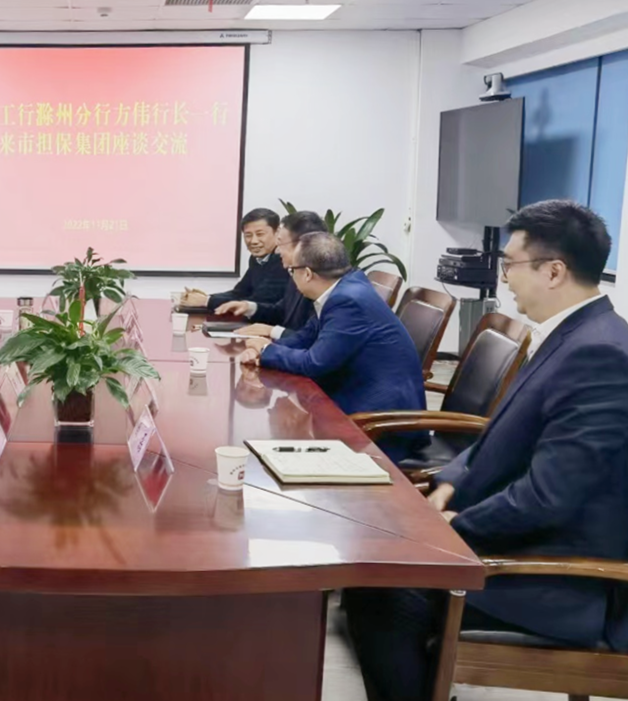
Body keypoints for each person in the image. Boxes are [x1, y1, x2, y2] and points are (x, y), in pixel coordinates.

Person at [343, 200, 628, 701]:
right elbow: (500, 437)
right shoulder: (573, 335)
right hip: (531, 542)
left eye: (510, 264)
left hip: (563, 579)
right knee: (381, 562)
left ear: (554, 271)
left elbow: (550, 495)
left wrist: (453, 529)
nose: (505, 277)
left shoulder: (600, 352)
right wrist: (451, 482)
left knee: (382, 588)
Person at [238, 233, 425, 462]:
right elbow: (306, 337)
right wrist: (263, 350)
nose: (291, 276)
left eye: (291, 271)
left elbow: (313, 363)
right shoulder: (344, 288)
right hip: (357, 398)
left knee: (290, 453)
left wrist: (266, 350)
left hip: (380, 423)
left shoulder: (348, 300)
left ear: (307, 274)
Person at [215, 210, 326, 338]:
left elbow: (312, 339)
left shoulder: (324, 285)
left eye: (281, 244)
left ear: (302, 246)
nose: (277, 251)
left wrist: (272, 333)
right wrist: (249, 307)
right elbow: (280, 311)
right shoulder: (295, 272)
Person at [179, 208, 290, 312]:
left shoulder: (283, 260)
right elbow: (240, 293)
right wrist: (206, 297)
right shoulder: (257, 259)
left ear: (277, 232)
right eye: (248, 235)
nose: (254, 241)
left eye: (260, 234)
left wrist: (207, 301)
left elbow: (259, 299)